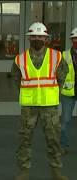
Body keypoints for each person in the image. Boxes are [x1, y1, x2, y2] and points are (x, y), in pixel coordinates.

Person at [11, 22, 69, 180]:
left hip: (49, 107)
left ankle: (56, 171)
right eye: (34, 36)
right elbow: (17, 79)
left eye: (40, 36)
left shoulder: (56, 56)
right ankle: (24, 172)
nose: (37, 39)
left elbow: (62, 76)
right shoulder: (20, 59)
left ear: (46, 38)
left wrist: (53, 90)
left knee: (54, 140)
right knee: (24, 139)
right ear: (29, 38)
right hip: (29, 106)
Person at [60, 27, 77, 155]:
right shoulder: (64, 55)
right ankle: (63, 146)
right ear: (71, 40)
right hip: (68, 92)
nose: (76, 40)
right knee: (65, 120)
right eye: (75, 38)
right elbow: (59, 73)